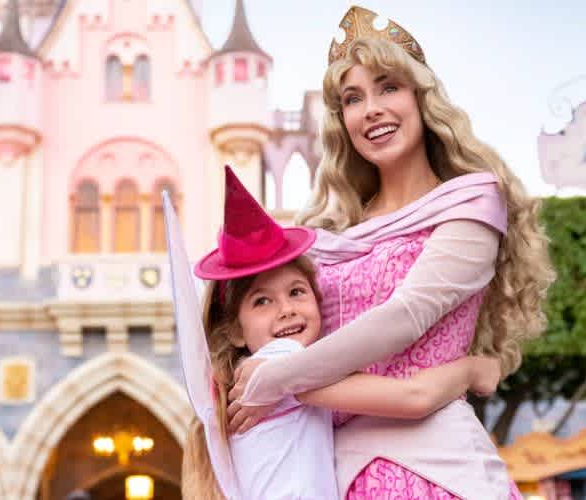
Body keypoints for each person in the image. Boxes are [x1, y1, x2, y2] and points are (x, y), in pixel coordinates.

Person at [226, 5, 554, 499]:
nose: (371, 109)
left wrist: (277, 381)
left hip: (438, 471)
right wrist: (464, 373)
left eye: (388, 87)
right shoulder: (330, 234)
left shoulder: (470, 204)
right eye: (353, 99)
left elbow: (406, 317)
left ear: (422, 98)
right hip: (332, 473)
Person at [178, 166, 504, 499]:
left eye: (297, 292)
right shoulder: (280, 364)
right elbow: (414, 397)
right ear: (234, 331)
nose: (286, 309)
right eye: (262, 301)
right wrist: (474, 369)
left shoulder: (244, 380)